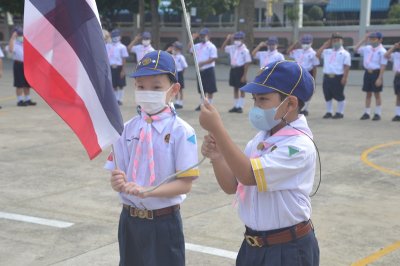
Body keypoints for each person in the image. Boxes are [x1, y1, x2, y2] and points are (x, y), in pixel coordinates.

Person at [199, 60, 319, 266]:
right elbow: (232, 185)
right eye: (254, 99)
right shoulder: (261, 139)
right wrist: (218, 157)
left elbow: (249, 175)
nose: (256, 107)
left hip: (288, 249)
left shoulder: (299, 146)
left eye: (263, 99)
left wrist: (219, 129)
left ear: (290, 103)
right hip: (253, 245)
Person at [104, 50, 199, 266]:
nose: (148, 92)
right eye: (141, 87)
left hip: (163, 221)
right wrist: (117, 181)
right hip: (129, 220)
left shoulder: (181, 131)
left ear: (174, 89)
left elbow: (185, 184)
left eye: (156, 87)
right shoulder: (125, 129)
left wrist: (149, 191)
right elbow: (118, 175)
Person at [316, 33, 351, 119]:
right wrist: (325, 45)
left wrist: (345, 77)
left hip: (338, 76)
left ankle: (340, 112)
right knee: (327, 94)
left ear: (342, 41)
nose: (336, 42)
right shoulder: (327, 51)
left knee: (339, 95)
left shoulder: (345, 53)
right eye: (334, 41)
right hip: (327, 76)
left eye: (338, 40)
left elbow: (347, 66)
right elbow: (317, 54)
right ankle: (329, 111)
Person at [355, 32, 388, 121]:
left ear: (380, 40)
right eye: (371, 39)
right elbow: (356, 49)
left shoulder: (382, 51)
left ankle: (377, 113)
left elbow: (383, 65)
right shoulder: (367, 48)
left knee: (377, 94)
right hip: (367, 73)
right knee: (368, 93)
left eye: (374, 39)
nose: (372, 41)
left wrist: (380, 78)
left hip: (376, 73)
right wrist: (363, 40)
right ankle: (367, 113)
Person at [287, 34, 320, 116]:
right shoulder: (298, 51)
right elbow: (288, 52)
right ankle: (297, 107)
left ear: (311, 43)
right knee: (296, 90)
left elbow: (315, 67)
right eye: (304, 42)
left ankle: (305, 109)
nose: (305, 44)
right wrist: (295, 44)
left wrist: (313, 79)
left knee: (307, 91)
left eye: (307, 43)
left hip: (308, 73)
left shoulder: (313, 53)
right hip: (297, 73)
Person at [221, 31, 252, 113]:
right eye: (235, 38)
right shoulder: (232, 47)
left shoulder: (245, 50)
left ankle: (240, 106)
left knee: (242, 89)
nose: (237, 40)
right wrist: (227, 39)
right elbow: (222, 48)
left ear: (243, 39)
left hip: (241, 69)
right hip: (233, 69)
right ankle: (235, 105)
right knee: (235, 88)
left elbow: (247, 63)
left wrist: (244, 75)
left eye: (239, 38)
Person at [189, 28, 218, 111]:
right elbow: (190, 50)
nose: (202, 37)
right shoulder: (197, 46)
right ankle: (202, 104)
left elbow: (213, 58)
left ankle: (210, 105)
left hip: (208, 69)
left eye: (204, 35)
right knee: (202, 89)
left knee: (210, 89)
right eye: (201, 36)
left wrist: (203, 63)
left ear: (208, 36)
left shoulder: (211, 46)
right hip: (199, 70)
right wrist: (192, 39)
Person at [8, 26, 37, 107]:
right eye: (19, 34)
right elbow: (10, 50)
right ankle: (19, 100)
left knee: (27, 83)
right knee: (19, 83)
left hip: (27, 64)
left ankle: (27, 99)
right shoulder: (13, 42)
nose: (21, 36)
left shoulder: (25, 42)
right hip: (18, 64)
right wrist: (13, 37)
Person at [106, 29, 129, 105]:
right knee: (114, 85)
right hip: (111, 67)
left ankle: (120, 99)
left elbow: (124, 59)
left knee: (121, 84)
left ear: (120, 37)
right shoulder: (108, 45)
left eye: (116, 36)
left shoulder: (122, 47)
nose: (115, 38)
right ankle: (115, 99)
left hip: (119, 67)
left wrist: (123, 70)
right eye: (113, 36)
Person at [384, 42, 400, 121]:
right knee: (398, 96)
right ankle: (398, 114)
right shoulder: (396, 54)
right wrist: (393, 47)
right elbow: (386, 55)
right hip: (397, 77)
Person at [170, 41, 188, 109]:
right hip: (173, 73)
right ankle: (176, 102)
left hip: (179, 73)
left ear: (179, 50)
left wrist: (182, 74)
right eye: (173, 48)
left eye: (175, 48)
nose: (173, 49)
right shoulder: (171, 56)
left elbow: (184, 66)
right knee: (175, 88)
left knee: (180, 89)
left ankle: (181, 102)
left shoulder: (181, 57)